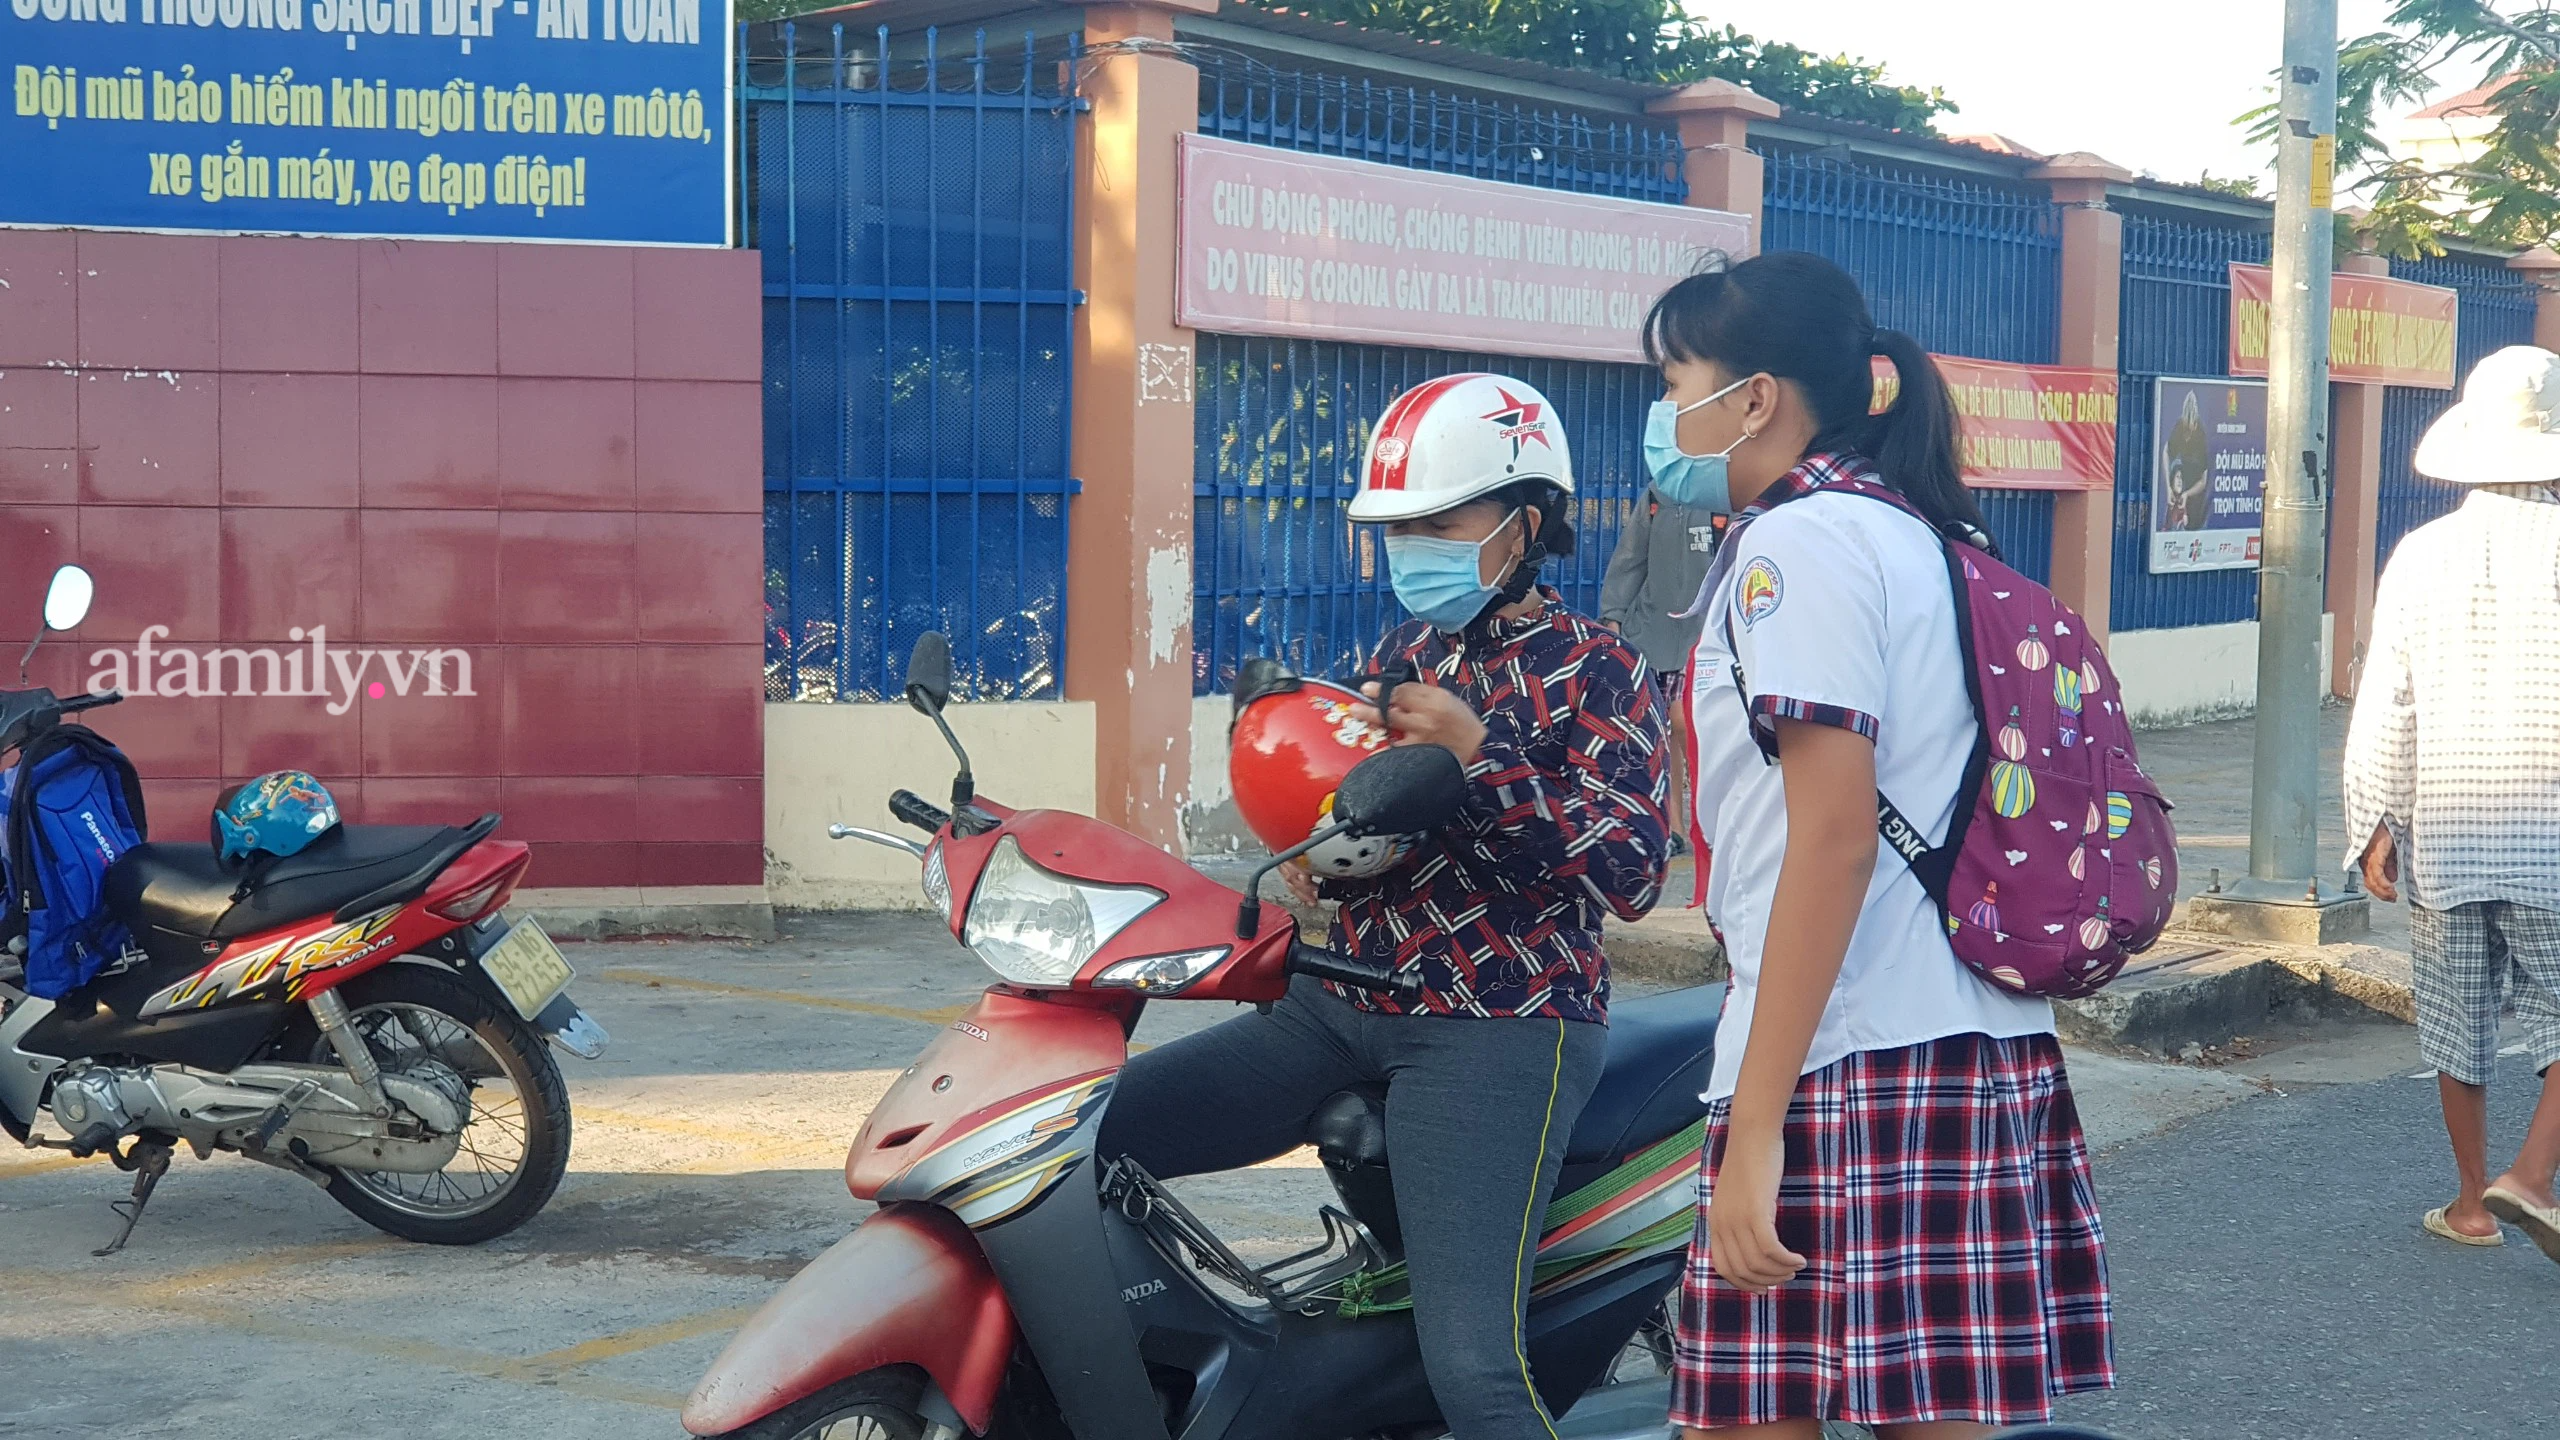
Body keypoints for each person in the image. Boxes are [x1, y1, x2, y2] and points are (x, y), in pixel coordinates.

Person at [1100, 371, 1671, 1440]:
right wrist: (1322, 855)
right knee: (1076, 1146)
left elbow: (1633, 872)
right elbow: (1364, 812)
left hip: (1499, 1028)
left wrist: (1478, 754)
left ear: (1526, 522)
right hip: (1339, 999)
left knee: (1473, 1371)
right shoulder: (1405, 653)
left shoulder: (1600, 668)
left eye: (1436, 523)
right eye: (1395, 528)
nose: (1411, 547)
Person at [1640, 252, 2114, 1437]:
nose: (1661, 414)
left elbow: (1835, 839)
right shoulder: (1915, 534)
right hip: (1948, 1036)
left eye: (1673, 379)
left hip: (1853, 1055)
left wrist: (1754, 1132)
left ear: (1751, 397)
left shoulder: (1796, 547)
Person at [2344, 343, 2560, 1266]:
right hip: (2551, 829)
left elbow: (2387, 696)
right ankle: (2533, 1176)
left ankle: (2474, 1204)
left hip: (2446, 824)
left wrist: (2374, 823)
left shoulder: (2421, 554)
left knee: (2455, 1017)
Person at [1600, 483, 1724, 852]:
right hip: (1652, 634)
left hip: (1704, 639)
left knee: (1688, 728)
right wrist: (1613, 617)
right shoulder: (1657, 497)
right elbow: (1630, 557)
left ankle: (1713, 822)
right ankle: (1674, 827)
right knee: (1664, 735)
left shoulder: (1724, 496)